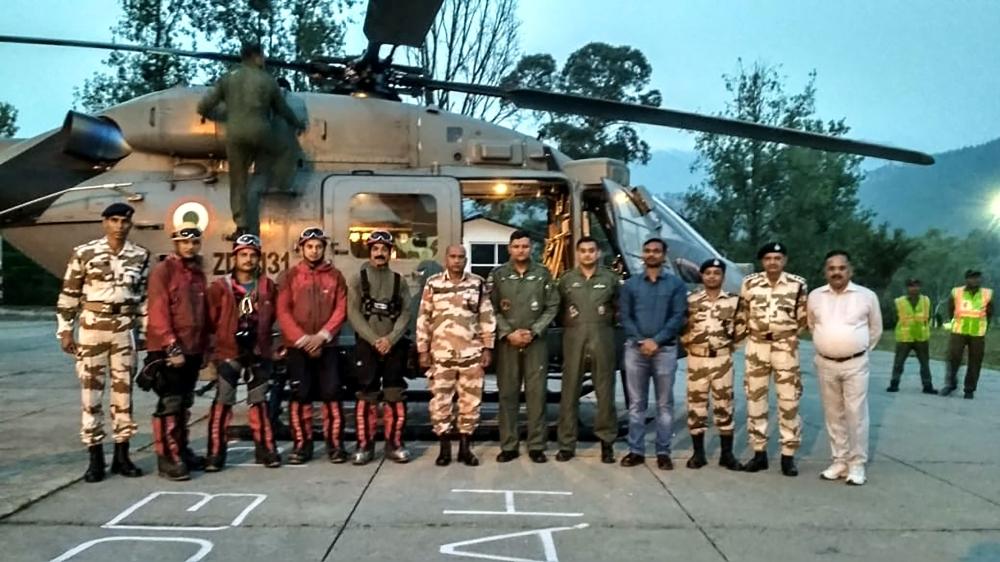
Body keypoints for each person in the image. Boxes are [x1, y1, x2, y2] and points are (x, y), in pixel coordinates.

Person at [56, 202, 148, 482]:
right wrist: (64, 330)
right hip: (93, 327)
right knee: (91, 394)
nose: (120, 226)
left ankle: (123, 455)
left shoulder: (140, 255)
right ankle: (95, 457)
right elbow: (69, 294)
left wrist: (144, 334)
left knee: (124, 395)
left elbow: (143, 299)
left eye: (125, 221)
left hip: (123, 329)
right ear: (104, 222)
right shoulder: (85, 253)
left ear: (131, 224)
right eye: (115, 221)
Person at [197, 42, 306, 238]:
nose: (263, 60)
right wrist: (297, 123)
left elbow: (203, 107)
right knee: (286, 150)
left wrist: (224, 115)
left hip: (235, 136)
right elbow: (282, 109)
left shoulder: (228, 78)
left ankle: (241, 226)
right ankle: (282, 184)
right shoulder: (267, 80)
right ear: (256, 56)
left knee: (238, 181)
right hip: (261, 132)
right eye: (262, 56)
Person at [203, 234, 281, 471]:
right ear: (235, 257)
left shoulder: (267, 286)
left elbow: (276, 319)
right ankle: (215, 453)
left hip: (259, 351)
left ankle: (266, 449)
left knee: (259, 402)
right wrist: (213, 351)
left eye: (252, 255)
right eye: (243, 254)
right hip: (229, 352)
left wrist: (273, 348)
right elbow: (209, 321)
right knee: (223, 401)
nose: (248, 259)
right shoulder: (220, 287)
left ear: (259, 258)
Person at [416, 245, 496, 467]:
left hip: (471, 354)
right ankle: (444, 450)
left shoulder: (477, 283)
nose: (457, 261)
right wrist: (422, 350)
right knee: (440, 402)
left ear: (466, 259)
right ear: (446, 259)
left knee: (470, 403)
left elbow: (486, 316)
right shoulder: (433, 283)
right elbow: (424, 318)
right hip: (441, 355)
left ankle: (465, 449)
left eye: (461, 257)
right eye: (453, 256)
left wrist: (487, 348)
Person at [807, 250, 882, 486]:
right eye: (831, 268)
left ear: (850, 270)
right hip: (826, 362)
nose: (836, 272)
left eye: (841, 268)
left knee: (856, 413)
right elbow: (812, 325)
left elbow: (875, 329)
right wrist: (830, 345)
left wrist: (856, 350)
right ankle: (839, 460)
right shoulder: (815, 296)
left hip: (855, 363)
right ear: (825, 271)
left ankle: (856, 463)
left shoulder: (866, 296)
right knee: (833, 413)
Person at [276, 227, 348, 464]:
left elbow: (340, 308)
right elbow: (283, 310)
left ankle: (335, 446)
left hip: (327, 346)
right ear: (302, 248)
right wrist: (302, 339)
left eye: (318, 246)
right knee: (300, 395)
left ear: (324, 249)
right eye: (310, 246)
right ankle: (302, 446)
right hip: (298, 347)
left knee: (332, 395)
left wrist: (323, 336)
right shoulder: (289, 276)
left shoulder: (335, 276)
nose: (314, 251)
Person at [735, 242, 807, 477]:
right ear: (762, 262)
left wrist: (787, 337)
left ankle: (788, 455)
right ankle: (759, 453)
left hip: (785, 346)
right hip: (757, 345)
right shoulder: (750, 283)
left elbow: (803, 317)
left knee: (789, 400)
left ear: (784, 260)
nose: (773, 262)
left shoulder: (798, 284)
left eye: (777, 258)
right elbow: (743, 313)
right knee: (755, 399)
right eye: (768, 258)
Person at [488, 230, 560, 463]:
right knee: (508, 395)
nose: (521, 250)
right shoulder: (498, 275)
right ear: (509, 248)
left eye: (525, 246)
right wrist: (508, 333)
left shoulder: (543, 274)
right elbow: (491, 308)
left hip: (535, 343)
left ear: (532, 249)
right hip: (508, 343)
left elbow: (552, 306)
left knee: (536, 395)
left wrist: (535, 330)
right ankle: (509, 445)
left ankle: (536, 445)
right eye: (517, 246)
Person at [146, 223, 211, 481]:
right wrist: (171, 345)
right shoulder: (163, 271)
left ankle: (182, 450)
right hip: (170, 350)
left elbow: (203, 315)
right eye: (184, 242)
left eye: (194, 242)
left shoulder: (198, 274)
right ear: (176, 243)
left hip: (193, 347)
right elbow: (158, 312)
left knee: (185, 401)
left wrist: (205, 347)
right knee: (170, 402)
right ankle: (168, 458)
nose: (190, 246)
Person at [618, 238, 688, 470]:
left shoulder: (676, 285)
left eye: (656, 251)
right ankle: (635, 450)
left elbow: (678, 316)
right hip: (635, 351)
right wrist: (641, 341)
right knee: (637, 404)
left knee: (664, 404)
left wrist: (656, 341)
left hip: (665, 350)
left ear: (664, 255)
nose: (651, 254)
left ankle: (663, 451)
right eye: (647, 251)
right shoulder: (630, 285)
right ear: (642, 255)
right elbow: (625, 317)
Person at [346, 231, 413, 465]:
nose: (380, 253)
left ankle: (394, 443)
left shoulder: (399, 280)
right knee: (366, 394)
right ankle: (364, 444)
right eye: (375, 249)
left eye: (384, 249)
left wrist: (391, 339)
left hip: (393, 344)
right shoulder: (358, 279)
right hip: (367, 343)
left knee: (394, 393)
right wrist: (374, 339)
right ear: (370, 251)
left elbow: (406, 312)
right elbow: (352, 312)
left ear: (390, 252)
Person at [555, 236, 619, 464]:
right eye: (583, 251)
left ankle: (607, 442)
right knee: (569, 392)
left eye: (592, 250)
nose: (587, 255)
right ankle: (566, 444)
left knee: (605, 393)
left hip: (603, 337)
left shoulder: (610, 278)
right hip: (574, 337)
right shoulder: (566, 280)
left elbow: (619, 307)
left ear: (598, 253)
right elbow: (557, 307)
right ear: (577, 254)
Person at [680, 258, 744, 471]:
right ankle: (698, 454)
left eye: (717, 273)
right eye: (708, 273)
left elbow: (741, 330)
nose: (712, 276)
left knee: (724, 406)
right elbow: (683, 327)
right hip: (697, 358)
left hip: (722, 359)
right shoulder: (691, 301)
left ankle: (727, 454)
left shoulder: (734, 302)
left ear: (722, 277)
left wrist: (726, 348)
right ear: (702, 275)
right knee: (696, 407)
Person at [940, 270, 993, 399]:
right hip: (959, 331)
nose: (975, 280)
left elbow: (990, 312)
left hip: (977, 333)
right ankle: (951, 384)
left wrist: (985, 326)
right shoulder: (956, 292)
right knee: (953, 358)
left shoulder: (987, 294)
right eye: (972, 278)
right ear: (966, 279)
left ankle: (969, 389)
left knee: (975, 361)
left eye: (977, 278)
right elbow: (950, 309)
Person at [887, 278, 936, 394]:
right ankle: (894, 383)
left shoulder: (926, 300)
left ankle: (927, 385)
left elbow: (928, 316)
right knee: (899, 362)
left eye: (917, 286)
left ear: (920, 287)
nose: (914, 288)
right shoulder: (899, 302)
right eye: (911, 286)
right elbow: (895, 317)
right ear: (907, 288)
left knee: (924, 363)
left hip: (921, 337)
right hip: (905, 336)